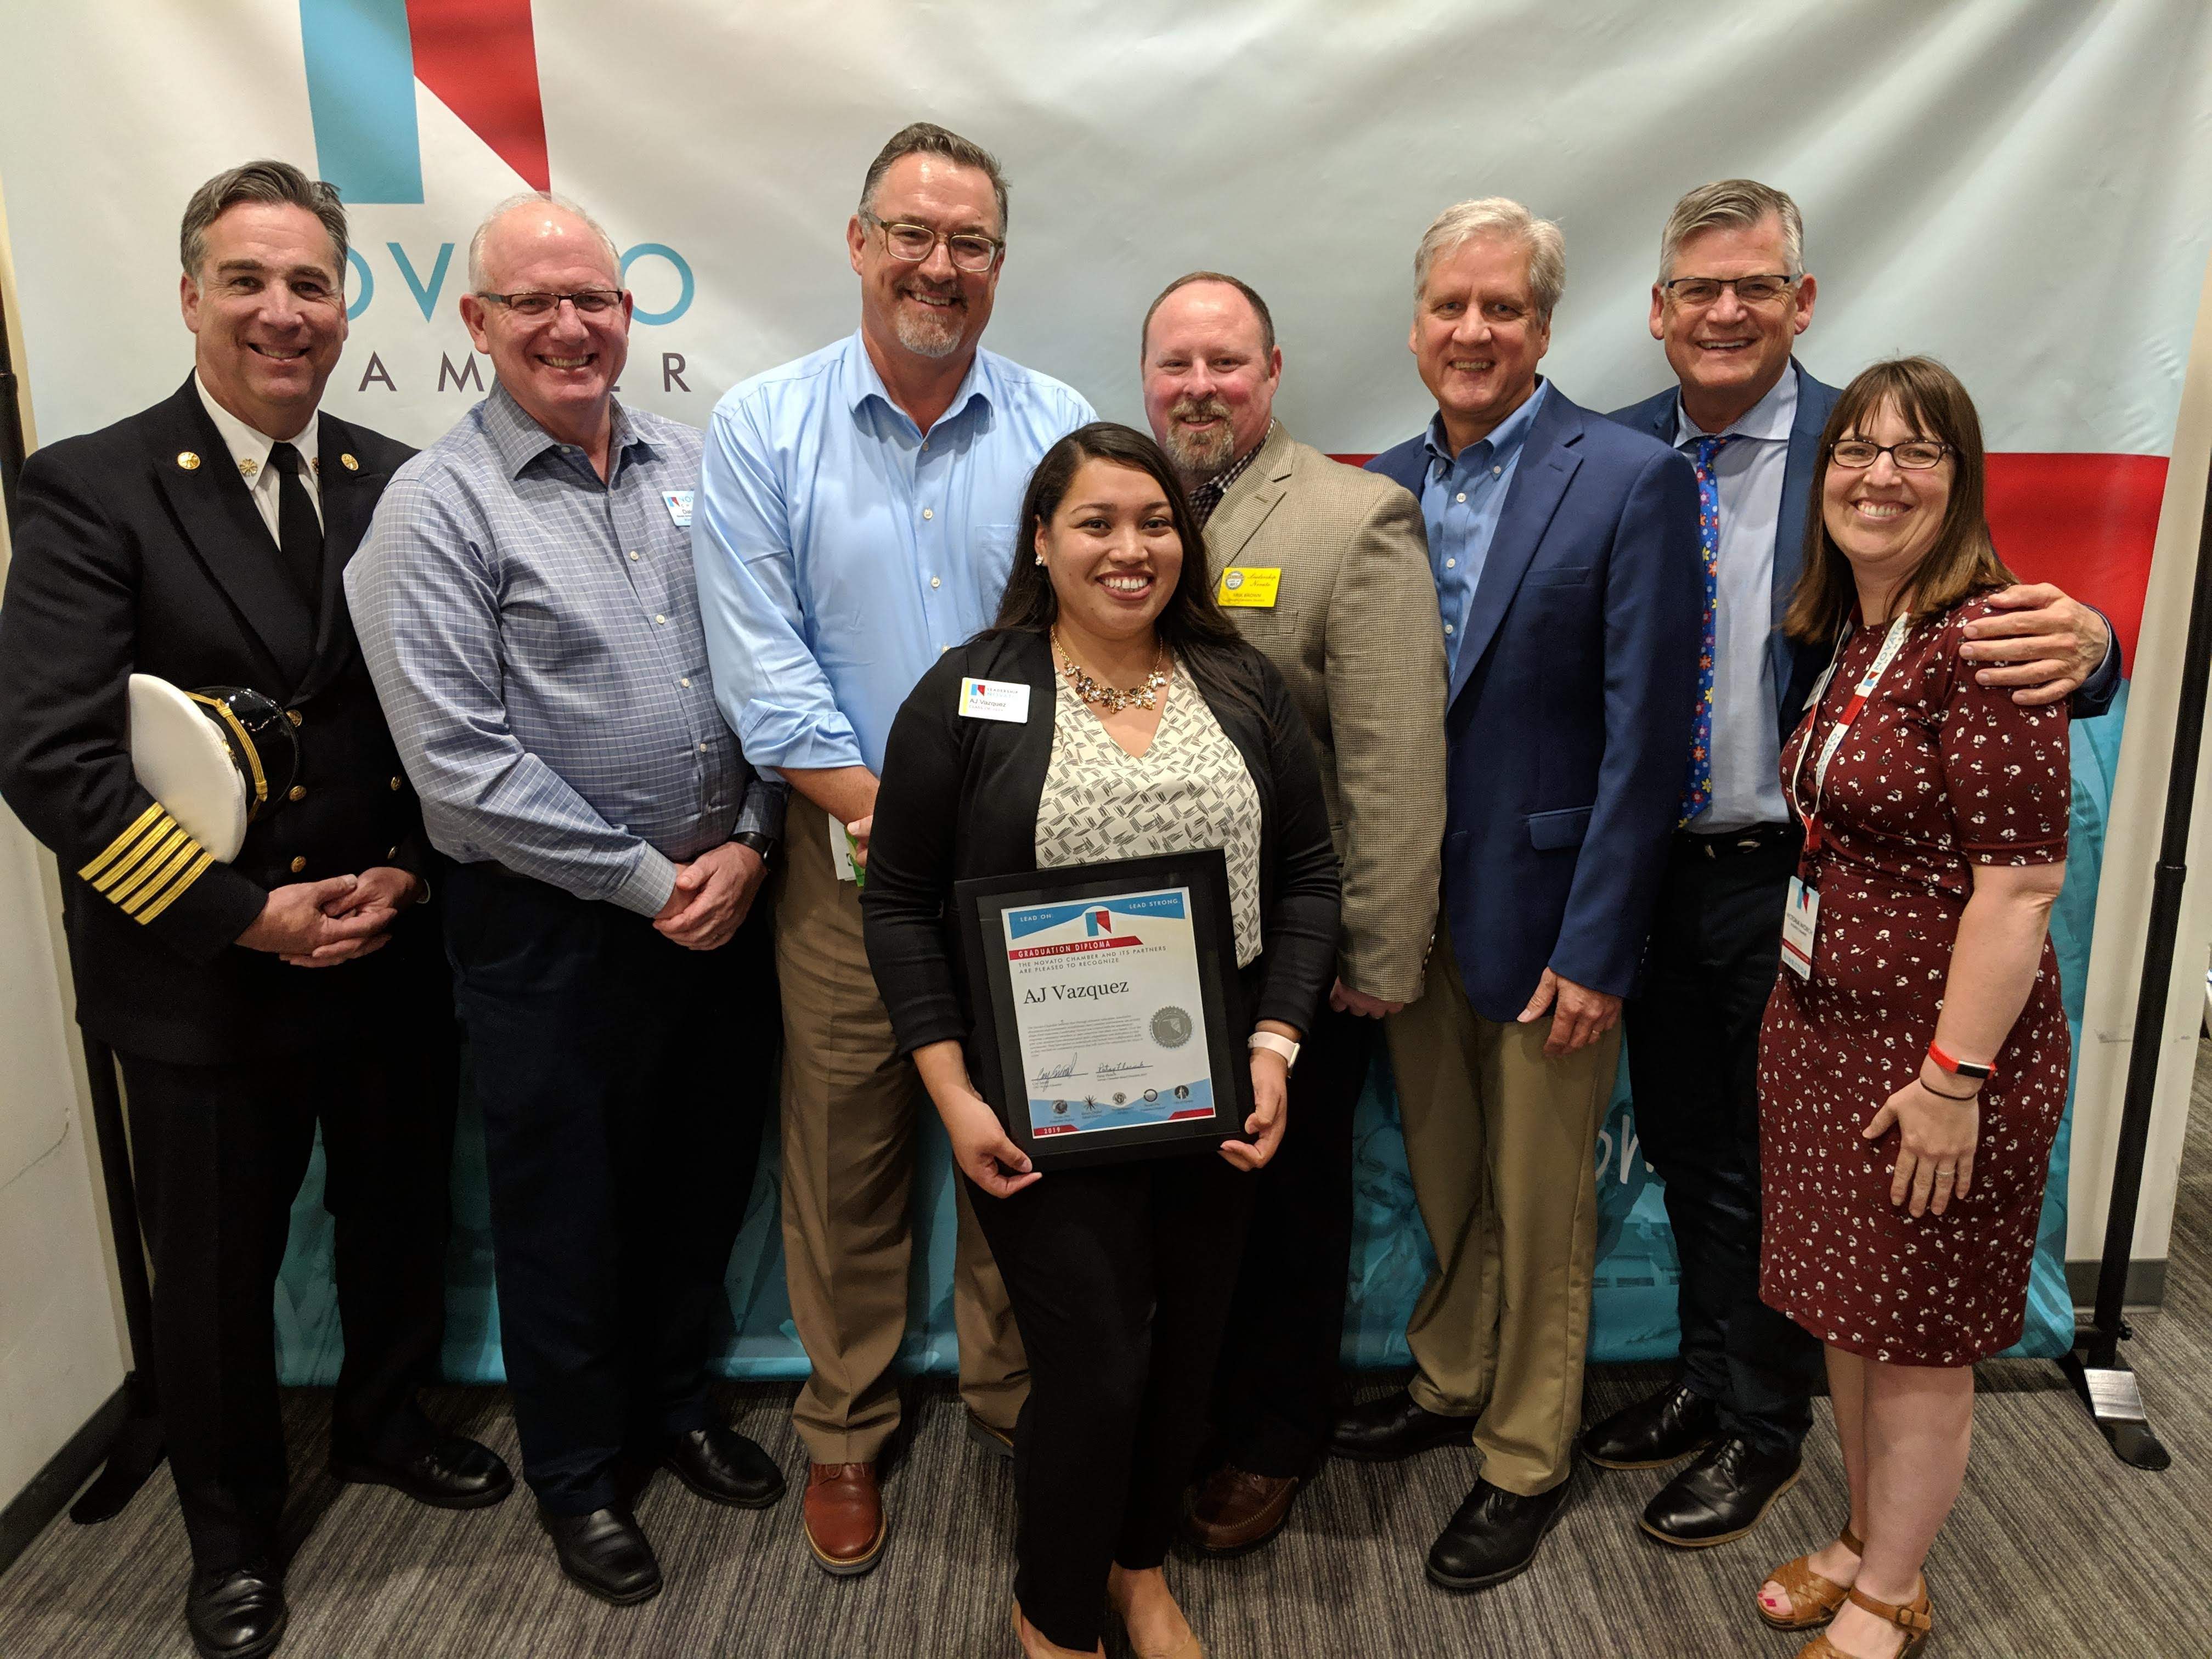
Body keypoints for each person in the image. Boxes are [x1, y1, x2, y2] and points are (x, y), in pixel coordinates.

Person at [0, 160, 507, 1659]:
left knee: (395, 1212)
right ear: (189, 297)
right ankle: (228, 1531)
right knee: (216, 1271)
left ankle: (383, 1420)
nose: (282, 313)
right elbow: (53, 761)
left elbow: (440, 715)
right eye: (248, 280)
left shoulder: (397, 479)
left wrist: (415, 863)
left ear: (345, 305)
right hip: (204, 971)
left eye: (310, 284)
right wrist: (246, 917)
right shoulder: (94, 486)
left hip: (385, 943)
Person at [1589, 180, 2122, 1549]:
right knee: (1695, 1146)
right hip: (1655, 878)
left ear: (1799, 303)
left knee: (1785, 1171)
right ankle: (1707, 1382)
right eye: (1698, 288)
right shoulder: (1614, 456)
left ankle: (1767, 1430)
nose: (1725, 310)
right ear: (1656, 313)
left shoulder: (1867, 447)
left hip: (1810, 883)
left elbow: (2002, 622)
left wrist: (2099, 643)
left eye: (1755, 286)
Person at [346, 192, 785, 1608]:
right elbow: (459, 774)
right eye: (531, 303)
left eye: (590, 296)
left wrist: (759, 836)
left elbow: (769, 665)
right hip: (552, 930)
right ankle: (580, 1475)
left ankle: (678, 1401)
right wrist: (657, 880)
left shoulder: (697, 464)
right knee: (564, 1208)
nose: (567, 324)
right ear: (476, 326)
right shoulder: (433, 509)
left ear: (628, 311)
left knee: (700, 1175)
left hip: (726, 902)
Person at [862, 421, 1340, 1659]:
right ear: (1042, 539)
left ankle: (1136, 1568)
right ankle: (1057, 1612)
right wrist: (954, 1096)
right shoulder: (974, 690)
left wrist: (1278, 1048)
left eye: (1157, 523)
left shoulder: (1240, 685)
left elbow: (1309, 877)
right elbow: (902, 904)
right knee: (1098, 1372)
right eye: (1097, 523)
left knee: (1187, 1357)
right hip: (1038, 1100)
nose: (1131, 550)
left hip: (1213, 1082)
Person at [692, 121, 1093, 1574]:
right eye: (912, 235)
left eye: (969, 243)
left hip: (1029, 873)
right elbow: (763, 665)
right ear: (859, 245)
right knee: (844, 1152)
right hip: (842, 863)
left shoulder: (1060, 425)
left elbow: (1092, 634)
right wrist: (887, 819)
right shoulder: (762, 428)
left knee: (1018, 1154)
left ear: (998, 263)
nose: (939, 265)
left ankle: (1007, 1399)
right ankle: (848, 1430)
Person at [1333, 198, 1701, 1592]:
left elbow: (1647, 737)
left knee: (1545, 1204)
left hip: (1556, 924)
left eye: (1503, 309)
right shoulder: (1378, 486)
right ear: (1418, 322)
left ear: (1545, 327)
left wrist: (1604, 942)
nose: (1473, 331)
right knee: (1446, 1180)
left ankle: (1527, 1455)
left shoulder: (1627, 477)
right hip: (1412, 921)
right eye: (1450, 307)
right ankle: (1448, 1378)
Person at [1751, 356, 2071, 1659]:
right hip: (1829, 1035)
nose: (1879, 476)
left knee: (1923, 1339)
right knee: (1851, 1312)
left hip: (1935, 1059)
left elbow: (2023, 887)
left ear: (1962, 480)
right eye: (1856, 450)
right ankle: (1865, 1536)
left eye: (1917, 453)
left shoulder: (1989, 641)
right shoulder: (1855, 634)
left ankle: (1893, 1590)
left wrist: (1953, 1080)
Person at [1133, 271, 1445, 1555]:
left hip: (1296, 957)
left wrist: (1376, 949)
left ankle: (1274, 1436)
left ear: (1273, 371)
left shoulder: (1354, 516)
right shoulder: (1117, 506)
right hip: (1143, 951)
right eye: (1175, 365)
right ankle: (1183, 1418)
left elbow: (1390, 755)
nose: (1199, 388)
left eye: (1225, 363)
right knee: (1175, 1211)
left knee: (1289, 1200)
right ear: (1144, 377)